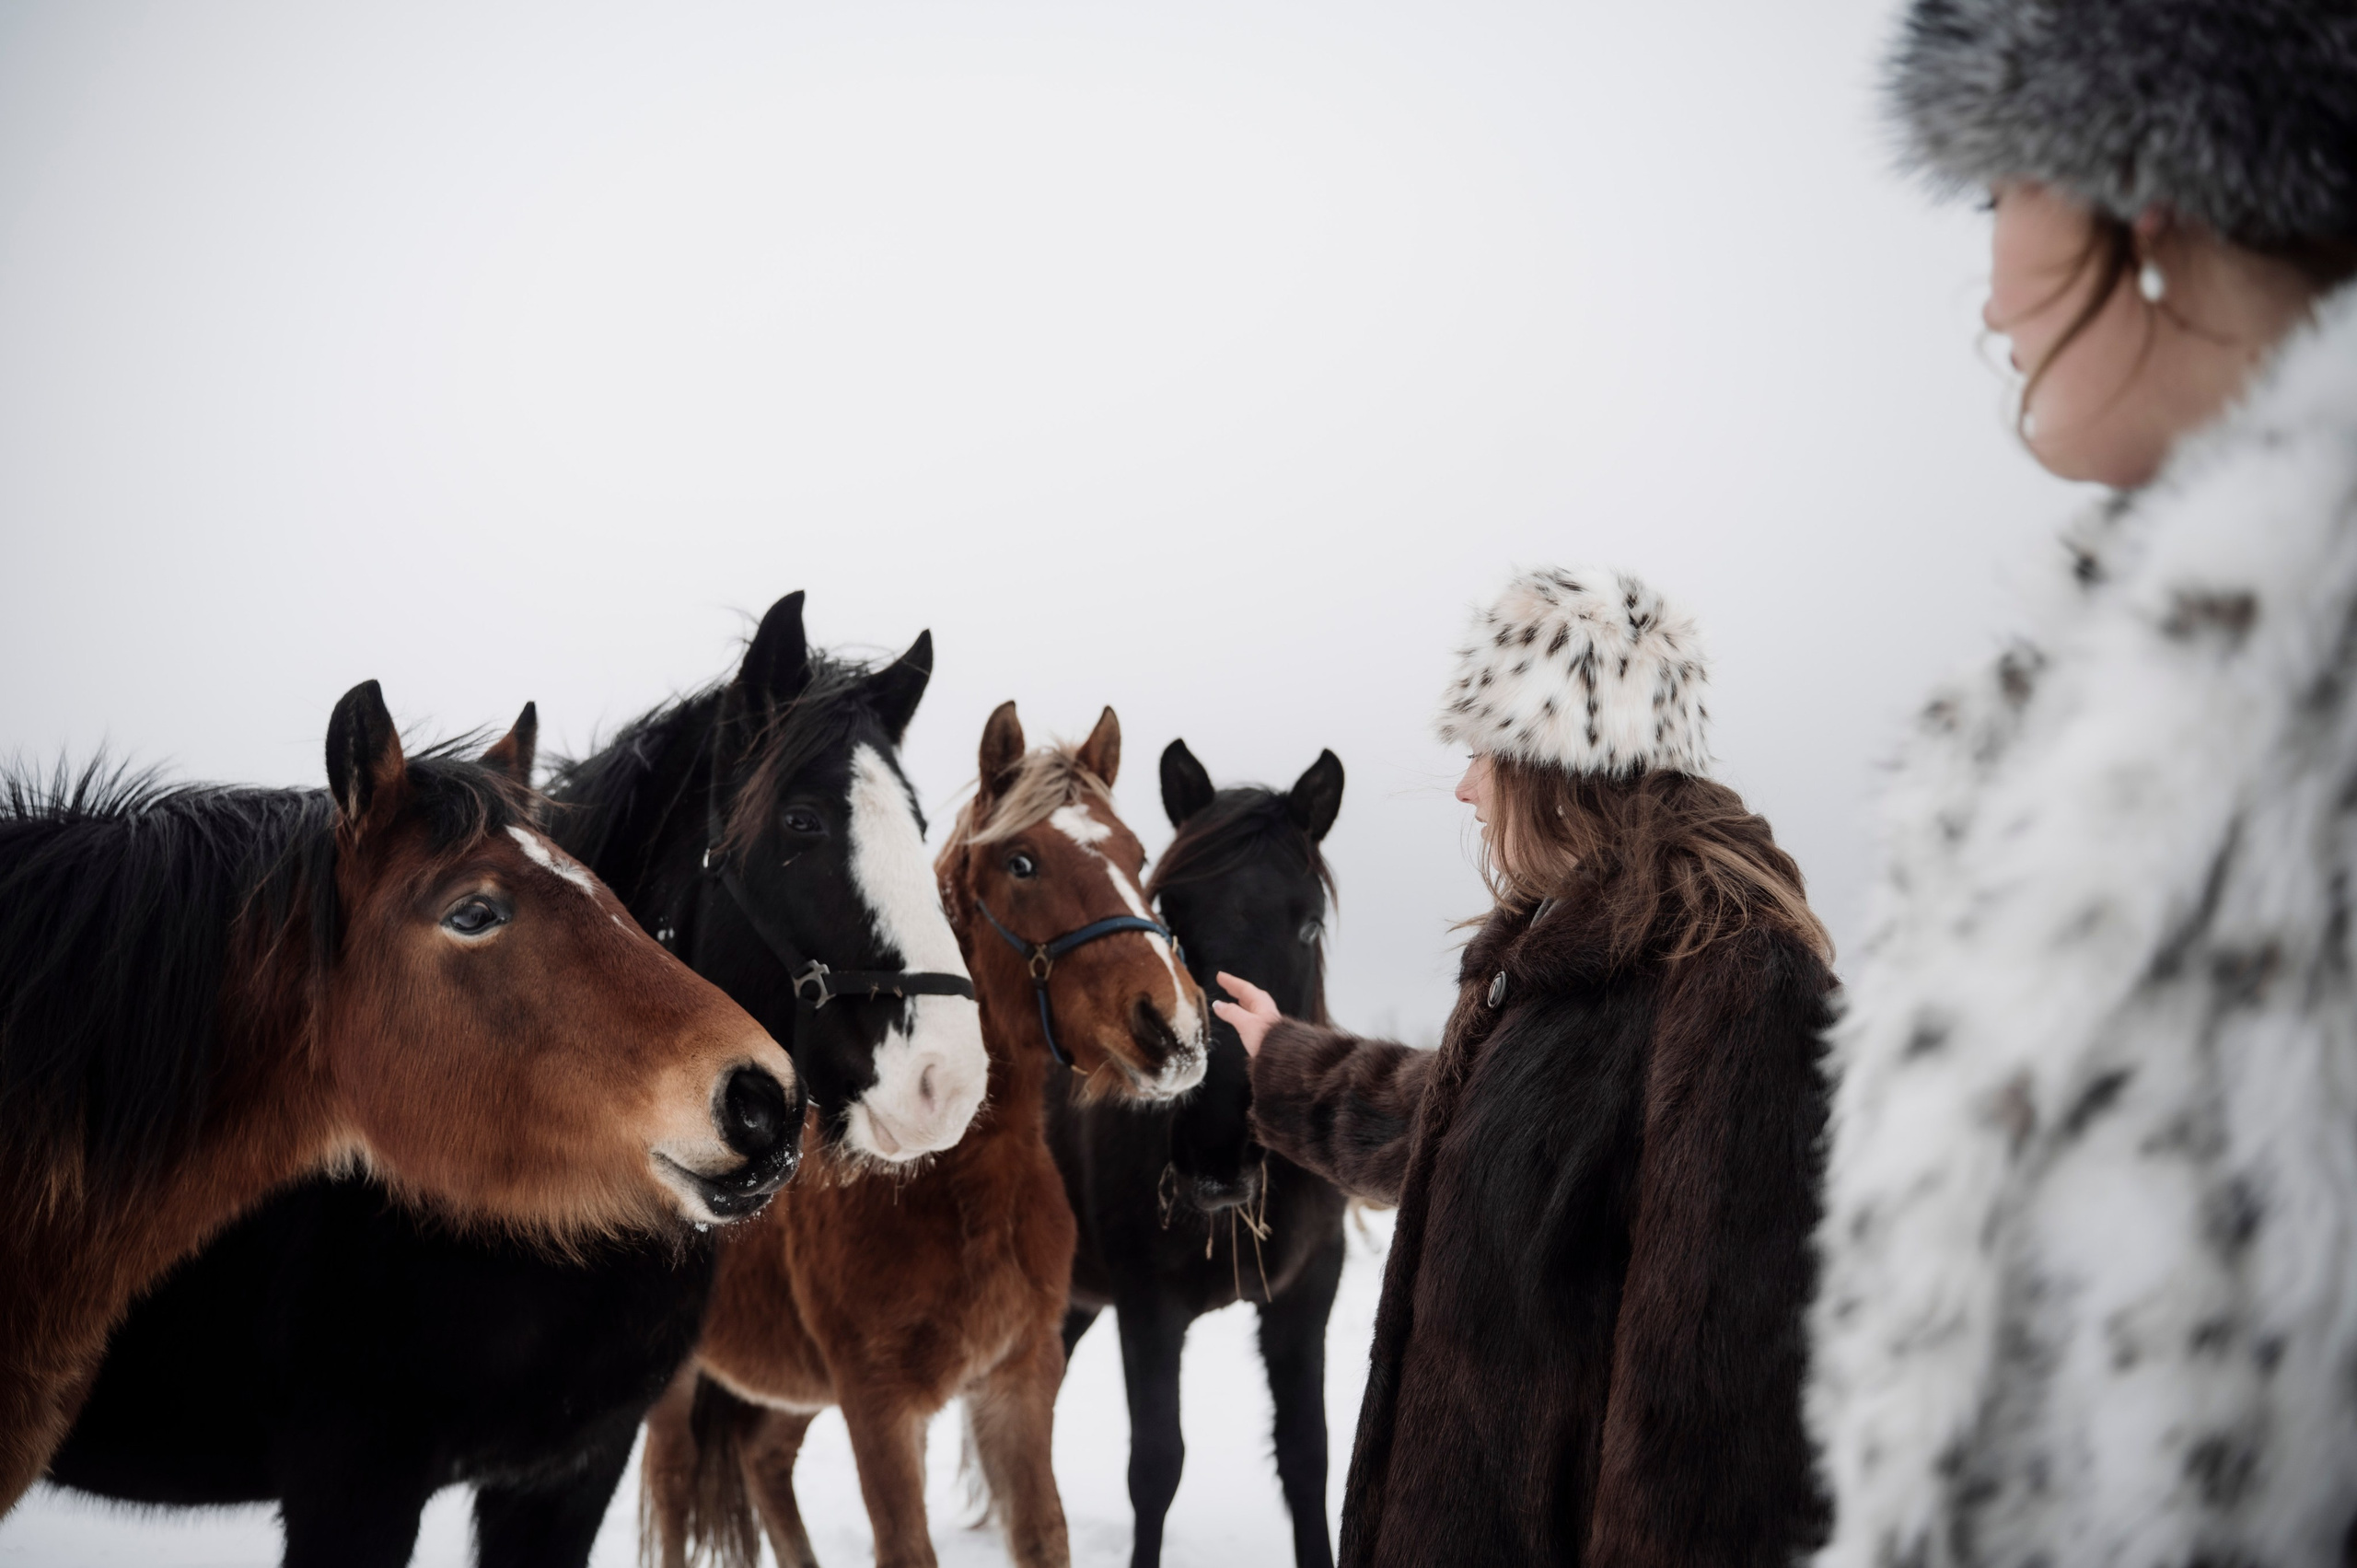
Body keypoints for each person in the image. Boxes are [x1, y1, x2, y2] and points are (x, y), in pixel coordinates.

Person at [1806, 5, 2357, 1566]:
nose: (1987, 294)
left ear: (2145, 189)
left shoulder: (2306, 702)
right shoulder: (2111, 705)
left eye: (1997, 201)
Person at [1214, 565, 1837, 1567]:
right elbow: (1452, 1130)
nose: (1464, 786)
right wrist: (1287, 1058)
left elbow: (1719, 1410)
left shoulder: (1736, 980)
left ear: (1555, 761)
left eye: (1479, 752)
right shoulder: (1550, 955)